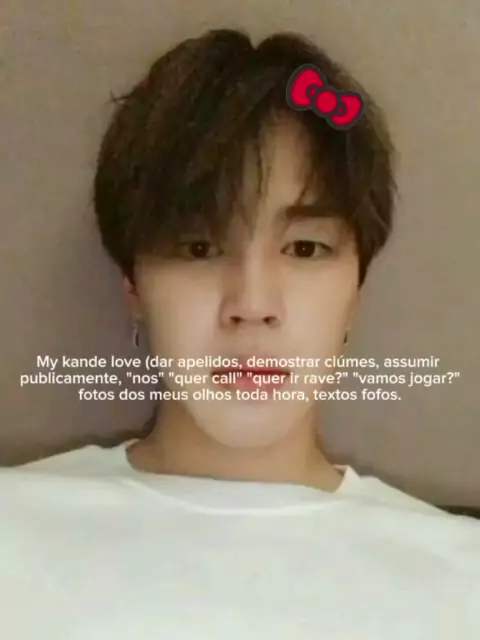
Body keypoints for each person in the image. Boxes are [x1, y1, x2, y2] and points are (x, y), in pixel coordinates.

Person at [1, 28, 479, 639]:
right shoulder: (13, 530)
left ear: (355, 294)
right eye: (199, 247)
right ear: (134, 289)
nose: (252, 306)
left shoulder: (462, 577)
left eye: (305, 248)